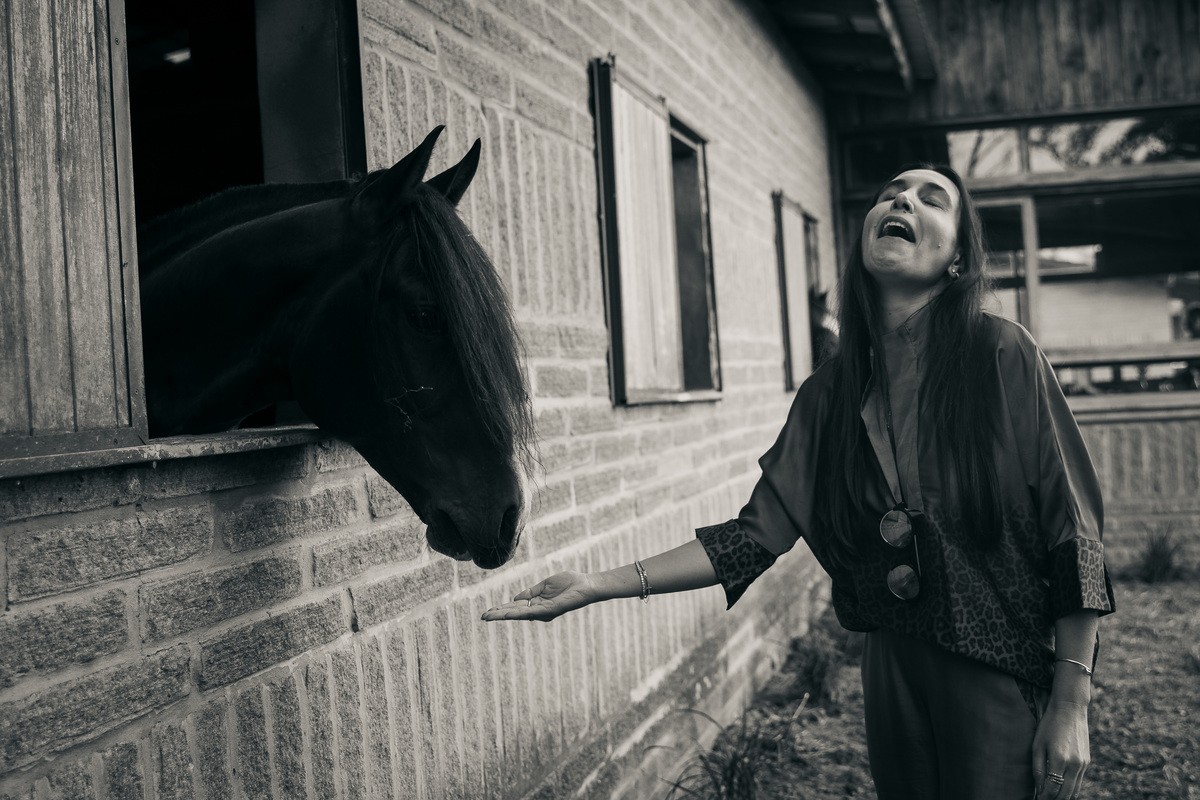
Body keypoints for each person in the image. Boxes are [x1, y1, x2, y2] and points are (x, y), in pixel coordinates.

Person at [483, 166, 1114, 800]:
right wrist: (596, 584)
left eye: (933, 199)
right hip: (890, 670)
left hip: (1000, 667)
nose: (901, 199)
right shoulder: (826, 396)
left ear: (956, 258)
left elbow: (1074, 529)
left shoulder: (1002, 353)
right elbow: (752, 538)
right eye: (890, 191)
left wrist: (1072, 700)